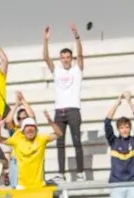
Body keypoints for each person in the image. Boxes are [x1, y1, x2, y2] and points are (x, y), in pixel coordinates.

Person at [43, 24, 86, 178]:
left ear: (71, 58)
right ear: (60, 59)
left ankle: (80, 172)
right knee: (59, 143)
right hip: (59, 111)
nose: (66, 60)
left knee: (76, 141)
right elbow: (46, 58)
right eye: (63, 57)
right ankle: (61, 173)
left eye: (68, 57)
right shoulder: (57, 71)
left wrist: (77, 36)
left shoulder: (77, 70)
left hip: (73, 109)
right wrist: (45, 40)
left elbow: (81, 56)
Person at [2, 107, 62, 191]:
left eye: (24, 118)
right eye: (19, 118)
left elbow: (59, 134)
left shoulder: (39, 137)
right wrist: (16, 104)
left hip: (38, 182)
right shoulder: (16, 133)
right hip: (19, 176)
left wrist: (50, 121)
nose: (29, 128)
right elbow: (7, 123)